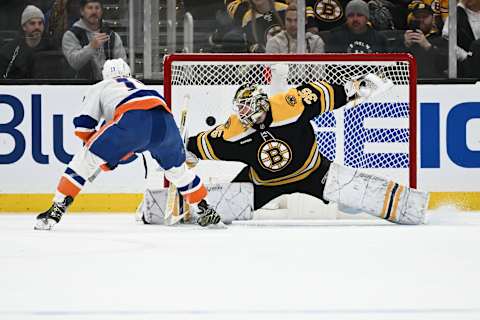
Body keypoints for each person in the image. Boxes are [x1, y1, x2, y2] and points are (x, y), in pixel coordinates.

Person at [185, 70, 429, 225]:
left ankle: (412, 208)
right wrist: (183, 148)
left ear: (262, 103)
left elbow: (326, 94)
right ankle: (178, 205)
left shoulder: (290, 105)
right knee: (211, 213)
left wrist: (356, 87)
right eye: (241, 108)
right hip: (261, 184)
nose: (244, 113)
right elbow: (205, 143)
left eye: (248, 107)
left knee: (376, 198)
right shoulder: (234, 130)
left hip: (315, 172)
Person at [35, 59, 222, 230]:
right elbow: (144, 129)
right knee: (177, 171)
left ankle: (56, 208)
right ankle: (205, 209)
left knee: (83, 161)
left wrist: (104, 154)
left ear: (105, 74)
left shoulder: (100, 86)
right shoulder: (141, 85)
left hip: (133, 119)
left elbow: (83, 129)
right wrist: (117, 151)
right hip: (165, 122)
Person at [62, 0, 127, 80]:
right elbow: (74, 63)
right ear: (82, 11)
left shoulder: (112, 36)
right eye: (90, 8)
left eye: (97, 8)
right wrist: (91, 47)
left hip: (109, 86)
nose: (94, 11)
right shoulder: (71, 35)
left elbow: (122, 64)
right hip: (81, 87)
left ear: (101, 12)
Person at [0, 5, 54, 79]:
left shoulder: (52, 48)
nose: (37, 27)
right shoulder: (9, 51)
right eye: (32, 23)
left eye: (40, 23)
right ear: (24, 27)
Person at [401, 1, 447, 77]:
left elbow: (445, 64)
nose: (421, 20)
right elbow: (393, 66)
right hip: (407, 83)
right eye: (417, 17)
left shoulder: (441, 40)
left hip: (434, 84)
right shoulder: (403, 38)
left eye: (425, 16)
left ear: (432, 18)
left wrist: (428, 46)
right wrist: (405, 46)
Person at [323, 0, 388, 53]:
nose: (355, 19)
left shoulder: (379, 39)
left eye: (359, 15)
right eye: (351, 15)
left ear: (367, 18)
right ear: (346, 18)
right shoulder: (335, 38)